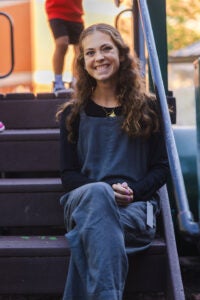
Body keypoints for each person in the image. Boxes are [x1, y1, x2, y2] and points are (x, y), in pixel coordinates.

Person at [56, 23, 169, 300]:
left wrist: (134, 193)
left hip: (134, 207)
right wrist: (105, 191)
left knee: (93, 231)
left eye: (106, 48)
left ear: (120, 53)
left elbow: (162, 167)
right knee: (97, 195)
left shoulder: (149, 108)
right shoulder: (72, 114)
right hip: (84, 201)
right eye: (90, 52)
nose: (99, 58)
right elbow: (68, 175)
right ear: (83, 62)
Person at [45, 0, 84, 93]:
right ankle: (58, 83)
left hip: (76, 14)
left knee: (81, 49)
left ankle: (75, 82)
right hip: (56, 11)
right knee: (62, 43)